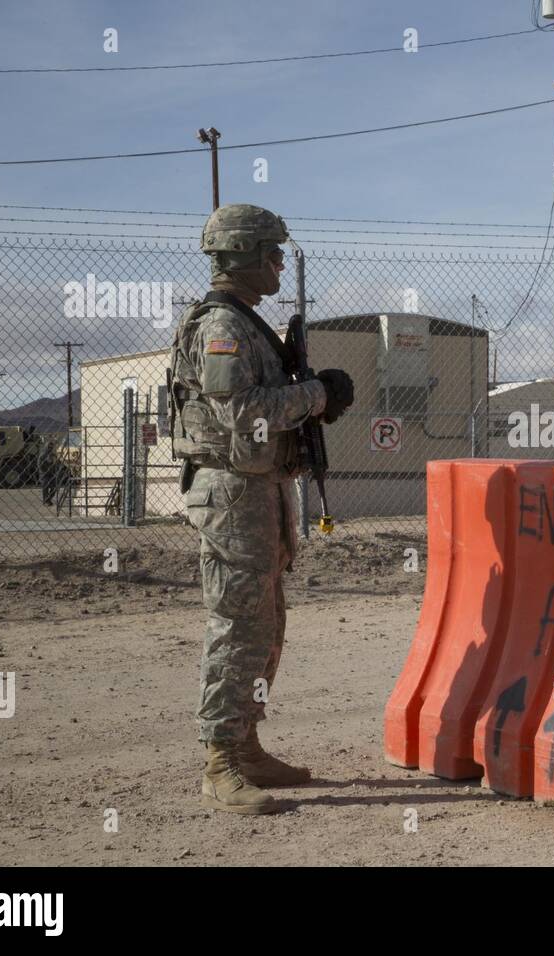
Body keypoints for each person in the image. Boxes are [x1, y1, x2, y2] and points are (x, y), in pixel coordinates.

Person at [168, 203, 353, 814]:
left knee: (265, 625)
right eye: (270, 251)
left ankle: (245, 745)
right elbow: (243, 414)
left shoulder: (249, 324)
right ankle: (220, 760)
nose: (279, 261)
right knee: (238, 625)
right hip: (232, 494)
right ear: (242, 255)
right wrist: (317, 395)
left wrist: (309, 400)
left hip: (261, 491)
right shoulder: (221, 328)